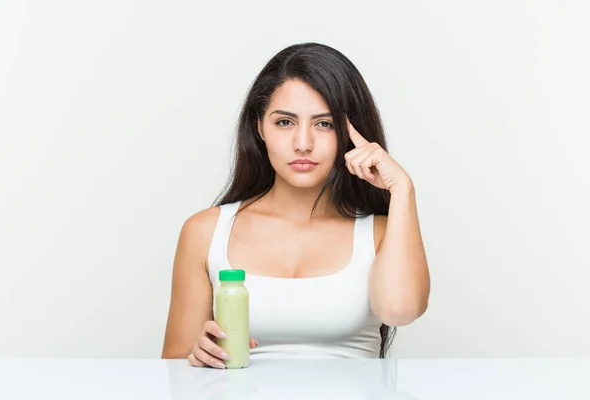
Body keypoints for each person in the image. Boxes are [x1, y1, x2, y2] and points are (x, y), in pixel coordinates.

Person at [161, 42, 430, 367]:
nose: (303, 144)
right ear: (259, 126)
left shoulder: (380, 233)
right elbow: (174, 368)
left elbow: (399, 310)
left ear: (350, 134)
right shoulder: (205, 231)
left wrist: (402, 189)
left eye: (324, 124)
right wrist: (198, 354)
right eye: (285, 122)